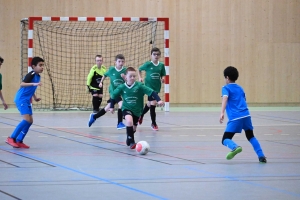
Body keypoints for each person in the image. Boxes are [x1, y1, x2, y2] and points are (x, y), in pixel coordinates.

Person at [219, 66, 267, 163]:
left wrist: (222, 112)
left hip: (235, 117)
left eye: (225, 77)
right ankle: (261, 156)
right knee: (251, 136)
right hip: (246, 116)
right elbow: (243, 100)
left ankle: (235, 147)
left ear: (227, 77)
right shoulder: (240, 88)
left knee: (225, 139)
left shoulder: (225, 88)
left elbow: (225, 98)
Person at [109, 67, 164, 149]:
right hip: (126, 108)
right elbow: (113, 95)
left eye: (134, 76)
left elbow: (151, 92)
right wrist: (111, 106)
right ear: (125, 77)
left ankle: (129, 137)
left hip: (138, 110)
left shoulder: (139, 86)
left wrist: (158, 100)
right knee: (129, 121)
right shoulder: (122, 87)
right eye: (130, 76)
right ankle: (132, 142)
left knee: (133, 129)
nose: (132, 78)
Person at [6, 57, 44, 148]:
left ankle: (19, 140)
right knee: (26, 119)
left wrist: (35, 98)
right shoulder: (31, 74)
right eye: (40, 65)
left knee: (30, 121)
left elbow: (31, 89)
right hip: (21, 99)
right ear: (34, 66)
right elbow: (22, 84)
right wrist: (33, 84)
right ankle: (11, 138)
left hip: (27, 100)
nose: (42, 67)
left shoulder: (38, 76)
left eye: (43, 65)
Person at [88, 54, 126, 129]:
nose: (121, 63)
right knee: (121, 104)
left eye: (122, 61)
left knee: (106, 108)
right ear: (115, 62)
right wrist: (101, 82)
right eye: (119, 61)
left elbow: (128, 81)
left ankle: (94, 116)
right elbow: (104, 75)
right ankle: (119, 123)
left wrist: (124, 78)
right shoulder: (112, 70)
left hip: (120, 92)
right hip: (113, 91)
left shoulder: (125, 70)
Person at [138, 47, 166, 131]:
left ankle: (141, 115)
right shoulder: (148, 64)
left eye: (157, 54)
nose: (156, 56)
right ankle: (153, 123)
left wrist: (163, 78)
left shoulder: (161, 65)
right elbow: (139, 69)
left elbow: (163, 74)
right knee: (153, 103)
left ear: (160, 56)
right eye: (154, 54)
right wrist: (140, 78)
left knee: (149, 104)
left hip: (157, 86)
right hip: (148, 87)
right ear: (151, 55)